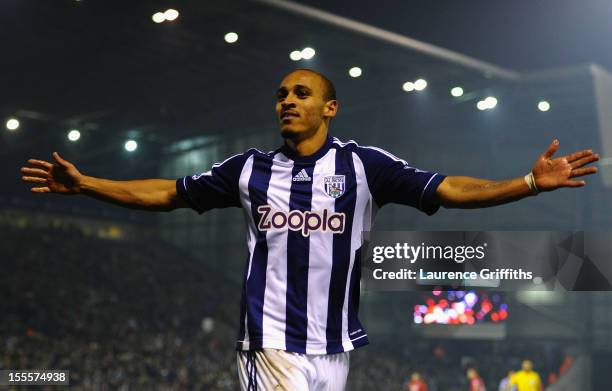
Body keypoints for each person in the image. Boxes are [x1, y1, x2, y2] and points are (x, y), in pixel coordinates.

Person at [21, 69, 599, 391]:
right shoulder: (247, 169)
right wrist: (90, 184)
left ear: (330, 108)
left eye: (301, 93)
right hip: (272, 342)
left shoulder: (364, 166)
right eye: (280, 94)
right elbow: (169, 194)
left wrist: (526, 181)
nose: (287, 101)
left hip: (336, 347)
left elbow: (449, 189)